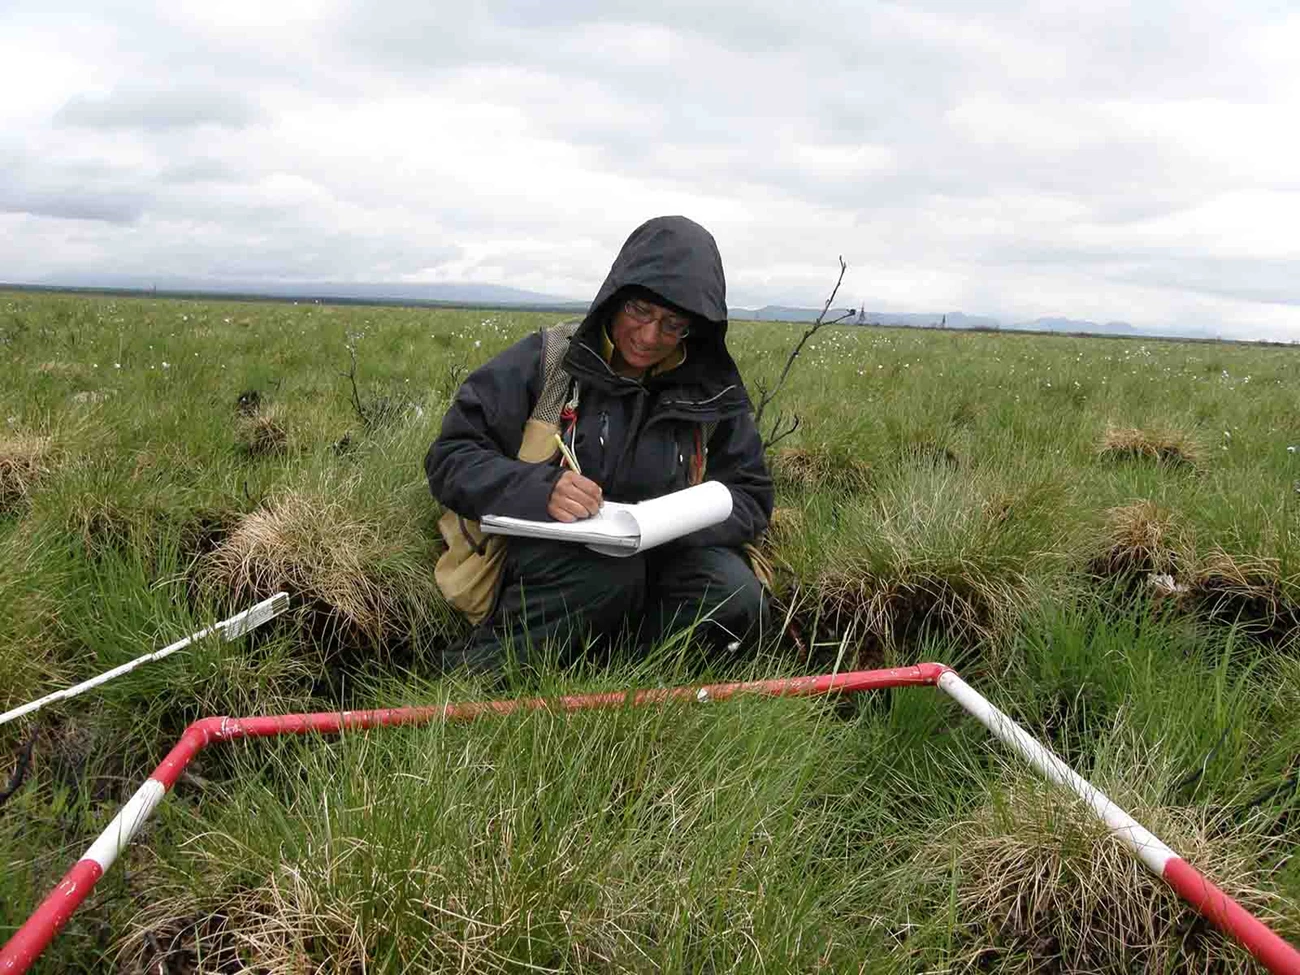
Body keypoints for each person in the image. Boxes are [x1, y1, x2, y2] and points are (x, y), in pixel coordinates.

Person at [426, 215, 773, 671]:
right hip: (550, 565)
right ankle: (471, 682)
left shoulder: (711, 392)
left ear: (697, 326)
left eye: (672, 324)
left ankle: (630, 684)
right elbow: (452, 457)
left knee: (734, 595)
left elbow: (749, 494)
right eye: (640, 311)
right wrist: (540, 489)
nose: (650, 337)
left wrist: (677, 524)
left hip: (667, 560)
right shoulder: (548, 360)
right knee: (607, 576)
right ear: (615, 297)